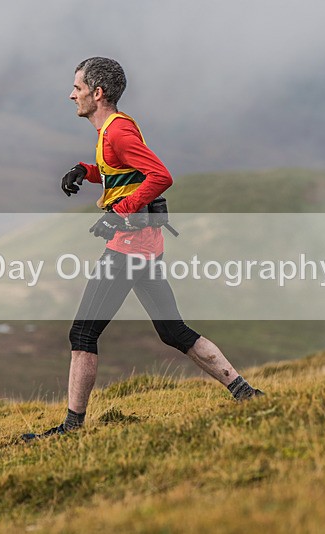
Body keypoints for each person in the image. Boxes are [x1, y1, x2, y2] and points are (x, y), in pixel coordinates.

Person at [21, 57, 263, 441]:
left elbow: (160, 176)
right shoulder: (112, 130)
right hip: (144, 246)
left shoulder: (117, 132)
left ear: (97, 93)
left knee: (83, 335)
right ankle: (245, 392)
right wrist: (85, 170)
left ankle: (71, 428)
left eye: (78, 88)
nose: (72, 95)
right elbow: (121, 170)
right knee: (173, 330)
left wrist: (122, 211)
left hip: (128, 248)